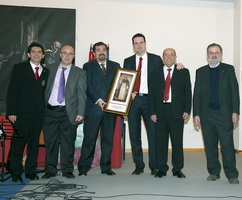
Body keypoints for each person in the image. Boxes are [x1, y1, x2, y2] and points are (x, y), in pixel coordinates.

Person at [193, 43, 240, 184]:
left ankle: (232, 174)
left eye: (217, 52)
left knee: (227, 146)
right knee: (210, 145)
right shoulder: (200, 71)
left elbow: (234, 92)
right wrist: (196, 114)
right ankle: (214, 172)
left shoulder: (229, 69)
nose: (214, 55)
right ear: (207, 56)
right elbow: (197, 95)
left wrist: (235, 111)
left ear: (221, 55)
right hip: (206, 115)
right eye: (211, 53)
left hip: (224, 115)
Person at [6, 41, 49, 183]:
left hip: (38, 115)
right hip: (21, 114)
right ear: (29, 54)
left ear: (43, 56)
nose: (36, 54)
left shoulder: (46, 71)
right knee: (18, 144)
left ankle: (30, 171)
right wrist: (12, 112)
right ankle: (16, 172)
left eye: (39, 52)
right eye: (34, 52)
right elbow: (12, 91)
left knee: (33, 144)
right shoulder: (20, 68)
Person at [42, 45, 87, 179]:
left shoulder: (80, 73)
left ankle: (67, 169)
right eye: (65, 53)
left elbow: (82, 95)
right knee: (50, 142)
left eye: (70, 54)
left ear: (73, 56)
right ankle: (50, 170)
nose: (67, 56)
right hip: (49, 111)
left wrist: (81, 113)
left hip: (69, 113)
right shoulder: (49, 69)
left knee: (68, 143)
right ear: (60, 54)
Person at [123, 33, 163, 175]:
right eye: (136, 43)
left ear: (145, 44)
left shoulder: (156, 59)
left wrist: (178, 65)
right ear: (133, 46)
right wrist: (128, 93)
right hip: (133, 102)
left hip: (150, 101)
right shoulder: (127, 61)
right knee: (134, 135)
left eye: (141, 42)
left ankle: (154, 165)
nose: (139, 45)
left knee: (153, 134)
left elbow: (165, 74)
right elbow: (124, 82)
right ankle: (139, 165)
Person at [78, 42, 120, 176]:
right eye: (98, 50)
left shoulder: (116, 66)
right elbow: (88, 85)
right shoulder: (88, 66)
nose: (101, 52)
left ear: (107, 52)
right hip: (93, 109)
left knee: (108, 140)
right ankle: (84, 167)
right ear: (94, 53)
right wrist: (98, 100)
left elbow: (120, 85)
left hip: (111, 110)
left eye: (103, 50)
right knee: (89, 139)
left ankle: (106, 167)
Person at [149, 48, 191, 178]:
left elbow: (188, 92)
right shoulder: (155, 72)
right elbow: (151, 94)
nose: (169, 57)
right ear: (163, 57)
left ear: (175, 57)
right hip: (160, 112)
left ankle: (177, 169)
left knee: (177, 142)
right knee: (160, 142)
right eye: (166, 55)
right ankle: (161, 168)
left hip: (177, 112)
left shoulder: (183, 72)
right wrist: (152, 112)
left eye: (171, 55)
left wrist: (187, 110)